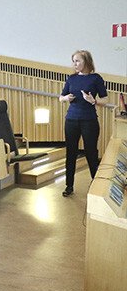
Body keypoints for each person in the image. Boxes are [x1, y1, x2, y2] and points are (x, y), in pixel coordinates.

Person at [59, 49, 108, 197]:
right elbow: (60, 97)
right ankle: (69, 186)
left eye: (77, 61)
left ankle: (96, 187)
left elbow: (105, 100)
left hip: (89, 121)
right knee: (71, 153)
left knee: (91, 153)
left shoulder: (95, 78)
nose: (75, 64)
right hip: (71, 120)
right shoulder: (71, 78)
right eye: (73, 61)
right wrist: (66, 98)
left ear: (86, 61)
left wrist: (94, 101)